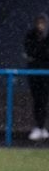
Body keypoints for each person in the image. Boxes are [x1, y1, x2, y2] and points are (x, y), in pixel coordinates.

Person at [24, 13, 49, 141]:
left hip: (46, 73)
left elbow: (44, 53)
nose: (41, 26)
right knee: (37, 100)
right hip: (35, 73)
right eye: (39, 23)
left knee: (44, 100)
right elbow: (30, 52)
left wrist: (40, 52)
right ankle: (39, 126)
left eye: (43, 23)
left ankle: (42, 127)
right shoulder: (31, 35)